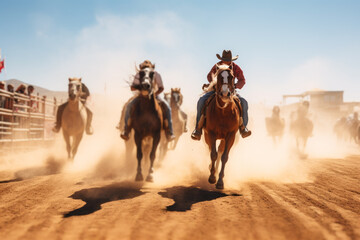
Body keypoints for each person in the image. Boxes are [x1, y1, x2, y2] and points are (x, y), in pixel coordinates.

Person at [191, 50, 252, 140]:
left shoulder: (235, 68)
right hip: (216, 90)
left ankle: (243, 128)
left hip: (231, 91)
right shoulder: (217, 67)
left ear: (231, 60)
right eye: (225, 60)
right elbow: (209, 76)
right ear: (222, 59)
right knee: (201, 101)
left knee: (244, 102)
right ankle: (198, 129)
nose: (226, 62)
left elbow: (242, 80)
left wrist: (234, 86)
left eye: (228, 60)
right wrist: (215, 83)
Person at [119, 60, 175, 141]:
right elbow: (132, 87)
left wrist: (154, 94)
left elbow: (161, 88)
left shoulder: (156, 74)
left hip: (155, 96)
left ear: (151, 67)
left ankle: (169, 132)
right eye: (145, 67)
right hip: (140, 95)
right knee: (129, 106)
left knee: (167, 108)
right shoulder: (139, 74)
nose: (146, 68)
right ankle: (126, 130)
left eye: (148, 67)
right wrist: (141, 88)